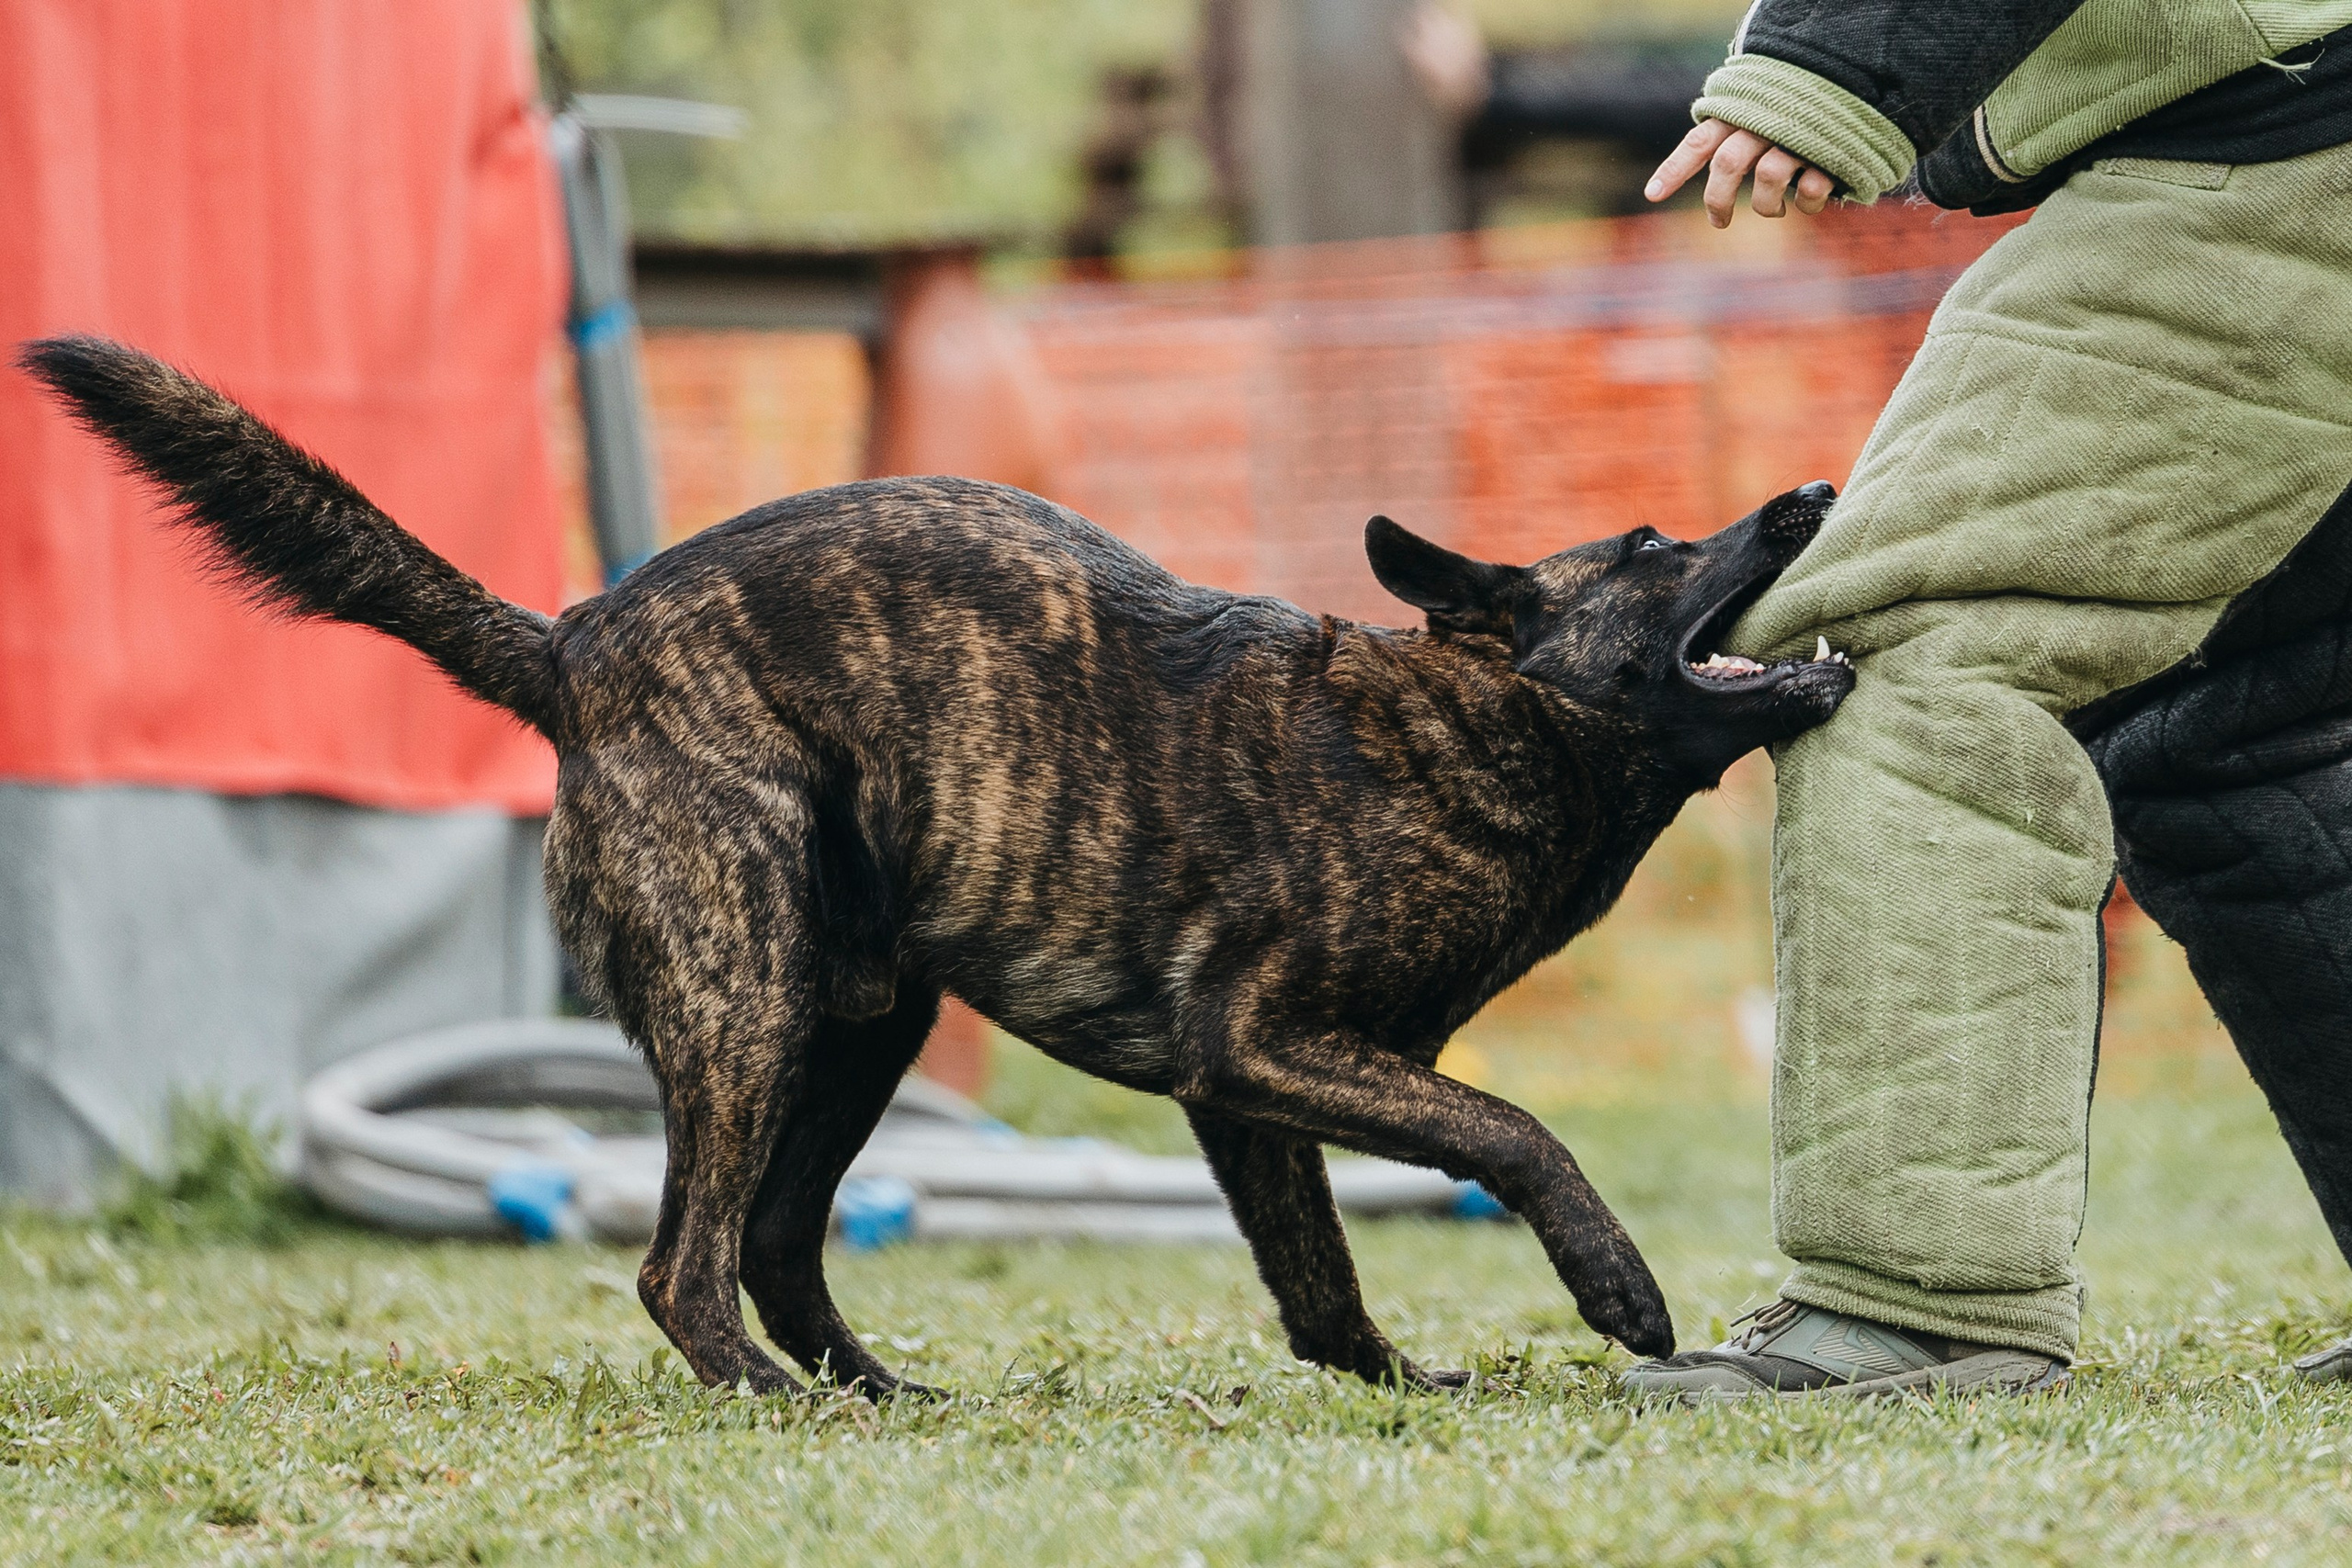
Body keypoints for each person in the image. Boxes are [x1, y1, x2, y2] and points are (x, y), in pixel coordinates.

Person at [1621, 1, 2352, 1398]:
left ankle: (1923, 1301)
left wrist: (1827, 62)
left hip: (2274, 155)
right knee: (2239, 731)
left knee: (1896, 663)